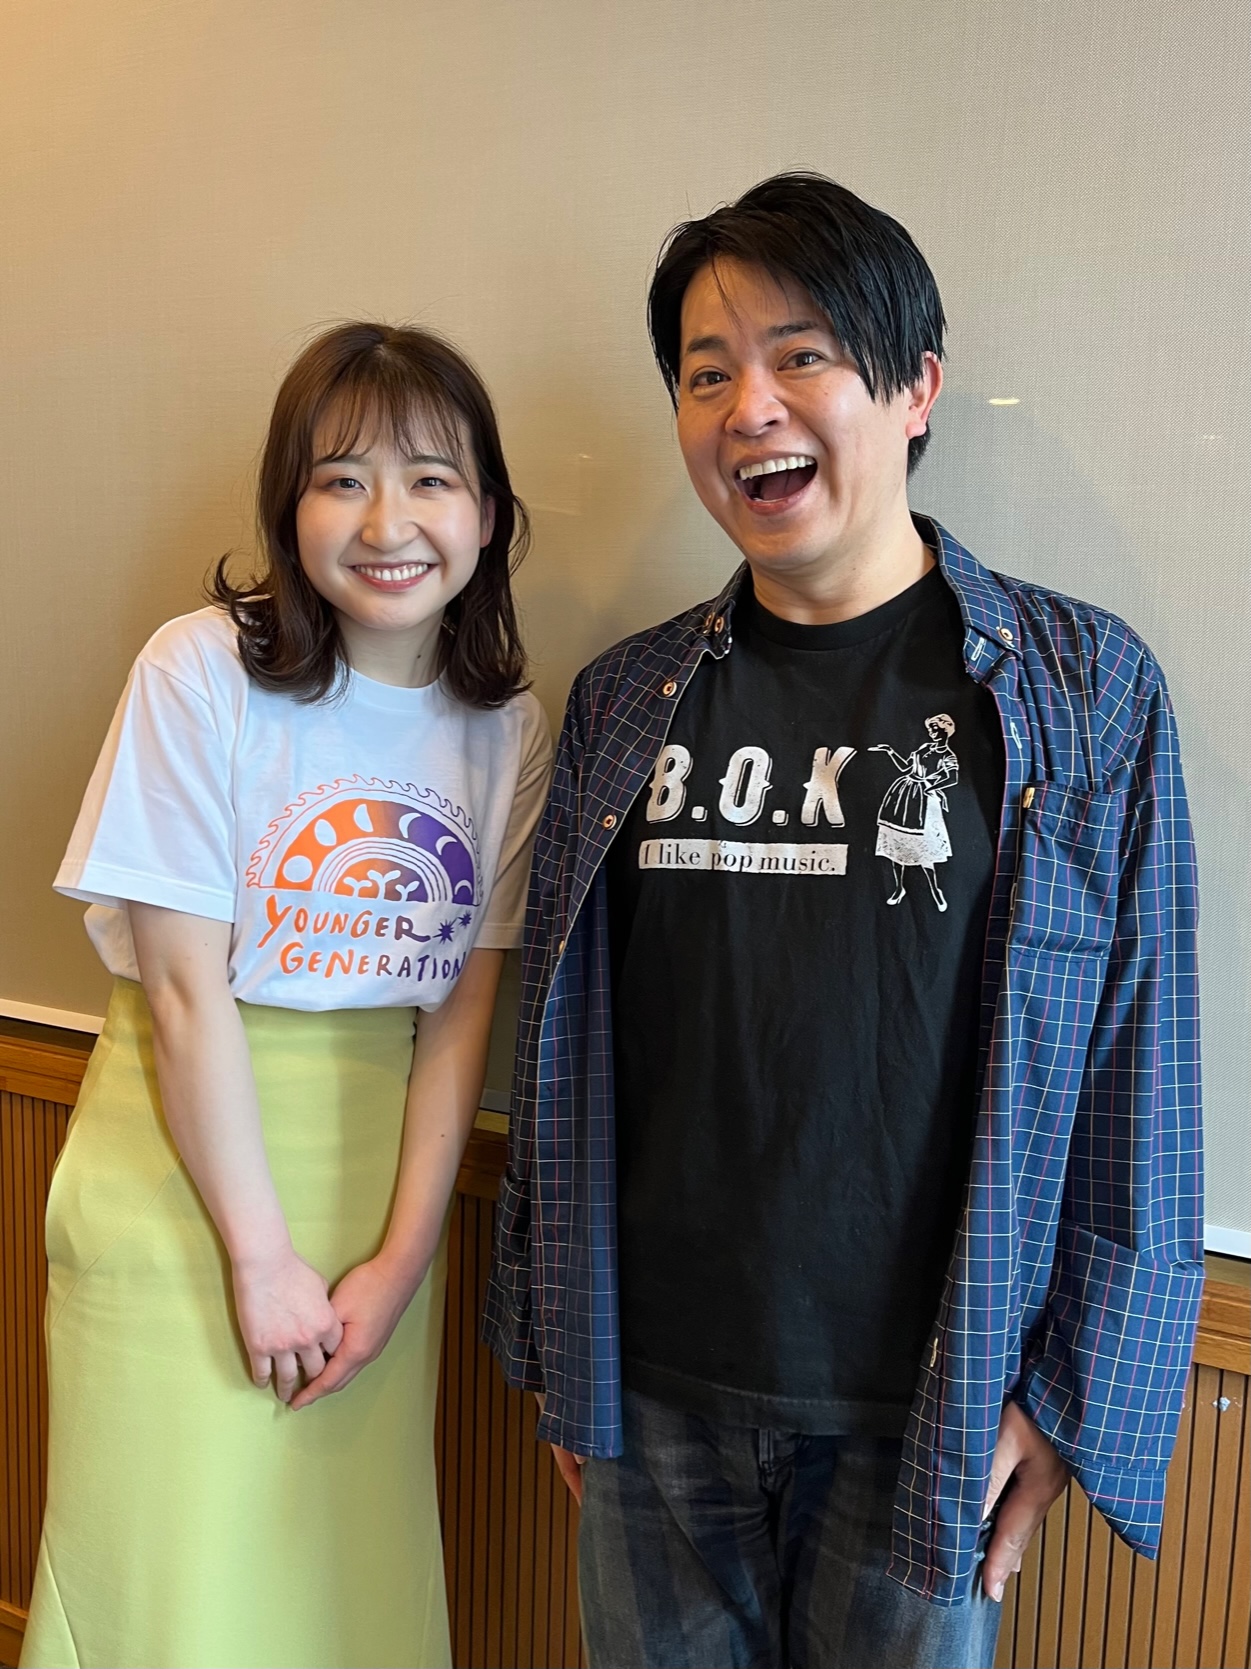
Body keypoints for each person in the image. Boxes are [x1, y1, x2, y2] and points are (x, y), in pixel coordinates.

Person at [484, 173, 1203, 1669]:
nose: (749, 407)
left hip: (933, 1404)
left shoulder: (1081, 689)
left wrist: (1066, 1401)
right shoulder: (626, 701)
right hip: (651, 1396)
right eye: (706, 374)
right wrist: (566, 1359)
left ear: (915, 386)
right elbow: (559, 1060)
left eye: (801, 355)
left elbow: (1144, 1070)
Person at [23, 322, 552, 1669]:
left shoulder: (507, 725)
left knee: (336, 1591)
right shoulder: (199, 670)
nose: (388, 522)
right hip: (180, 1180)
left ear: (488, 516)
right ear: (288, 507)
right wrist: (259, 1260)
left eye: (431, 480)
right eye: (341, 480)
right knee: (173, 1592)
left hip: (376, 1200)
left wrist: (403, 1261)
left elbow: (462, 1019)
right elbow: (183, 996)